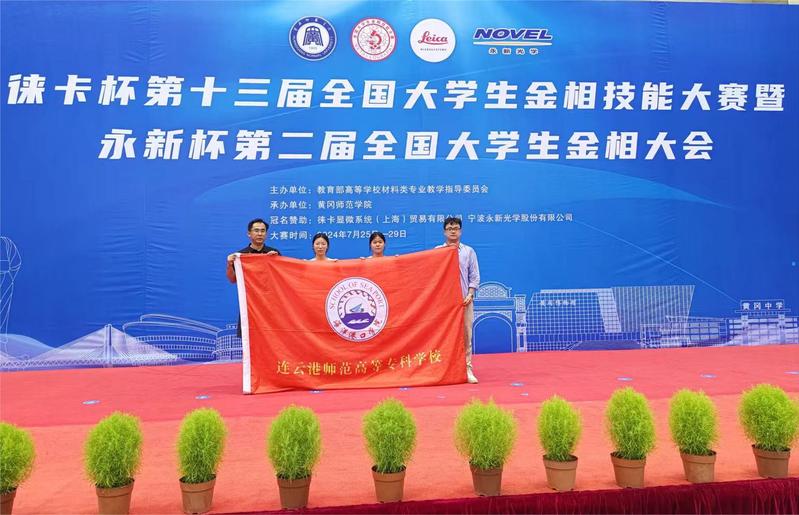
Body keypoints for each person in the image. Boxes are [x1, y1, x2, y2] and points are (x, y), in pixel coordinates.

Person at [437, 217, 480, 384]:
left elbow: (474, 276)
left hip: (464, 300)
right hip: (444, 303)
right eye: (449, 228)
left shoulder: (468, 251)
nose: (453, 231)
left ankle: (467, 368)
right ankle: (445, 370)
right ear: (444, 232)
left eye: (455, 228)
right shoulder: (437, 251)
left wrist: (470, 294)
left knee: (466, 335)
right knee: (444, 336)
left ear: (460, 231)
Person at [226, 218, 280, 337]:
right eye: (256, 230)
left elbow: (280, 279)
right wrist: (229, 264)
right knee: (249, 338)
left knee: (271, 338)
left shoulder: (274, 253)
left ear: (266, 234)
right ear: (249, 233)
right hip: (249, 304)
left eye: (263, 231)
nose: (260, 234)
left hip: (270, 304)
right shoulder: (241, 256)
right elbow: (232, 279)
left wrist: (276, 262)